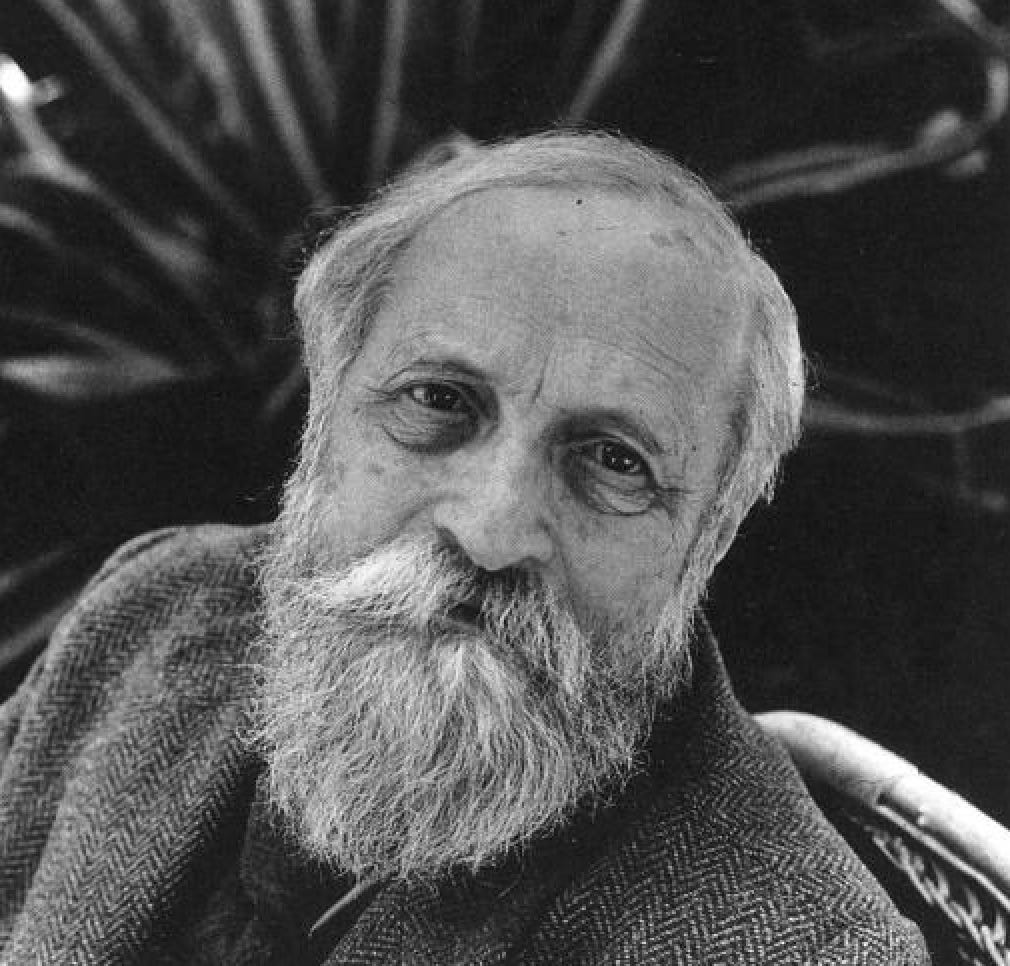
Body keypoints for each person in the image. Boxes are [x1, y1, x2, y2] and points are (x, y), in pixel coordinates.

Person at [0, 131, 930, 965]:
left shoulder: (803, 949)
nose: (489, 533)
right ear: (325, 411)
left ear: (710, 537)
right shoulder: (158, 601)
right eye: (440, 400)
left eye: (614, 460)